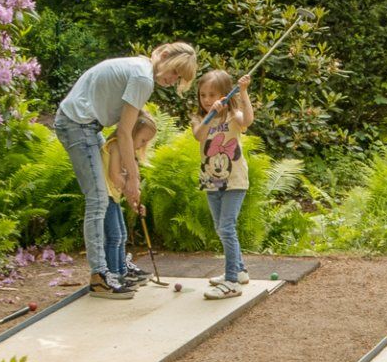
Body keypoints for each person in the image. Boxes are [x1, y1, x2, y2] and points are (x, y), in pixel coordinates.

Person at [56, 43, 198, 298]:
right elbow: (124, 132)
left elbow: (126, 130)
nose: (173, 79)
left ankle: (116, 267)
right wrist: (133, 177)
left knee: (109, 196)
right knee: (98, 200)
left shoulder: (139, 67)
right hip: (78, 124)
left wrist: (127, 179)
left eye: (179, 78)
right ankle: (100, 276)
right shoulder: (143, 77)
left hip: (87, 125)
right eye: (175, 71)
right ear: (164, 56)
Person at [192, 69, 255, 298]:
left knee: (227, 228)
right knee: (221, 228)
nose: (207, 100)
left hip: (235, 180)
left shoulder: (233, 115)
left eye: (212, 95)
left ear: (225, 95)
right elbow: (199, 136)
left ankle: (231, 282)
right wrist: (211, 115)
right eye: (203, 95)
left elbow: (247, 120)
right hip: (211, 181)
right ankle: (239, 270)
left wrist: (244, 93)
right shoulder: (199, 118)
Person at [103, 111, 159, 288]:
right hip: (106, 196)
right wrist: (128, 187)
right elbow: (114, 175)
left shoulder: (126, 152)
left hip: (114, 197)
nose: (143, 144)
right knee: (114, 237)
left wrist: (134, 199)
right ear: (132, 132)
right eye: (143, 140)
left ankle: (121, 271)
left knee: (122, 235)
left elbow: (126, 182)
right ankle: (114, 274)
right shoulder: (116, 146)